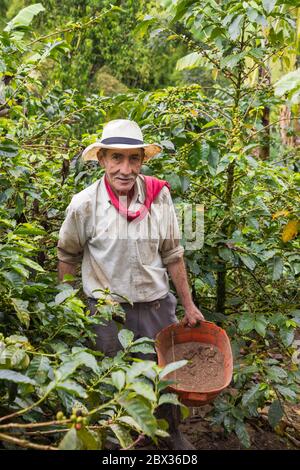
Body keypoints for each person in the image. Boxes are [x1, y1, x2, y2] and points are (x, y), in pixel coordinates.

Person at [57, 119, 204, 450]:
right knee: (111, 381)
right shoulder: (84, 204)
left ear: (141, 161)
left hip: (155, 308)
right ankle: (116, 444)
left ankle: (170, 434)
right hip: (107, 315)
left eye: (133, 159)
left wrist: (189, 305)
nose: (125, 168)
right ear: (103, 159)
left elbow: (173, 254)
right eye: (116, 158)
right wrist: (68, 309)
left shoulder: (159, 196)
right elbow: (67, 256)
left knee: (164, 377)